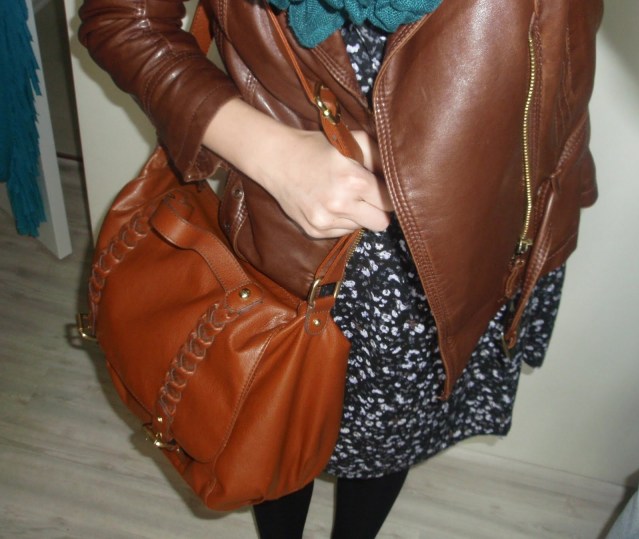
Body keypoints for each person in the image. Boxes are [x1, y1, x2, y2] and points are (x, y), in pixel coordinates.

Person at [78, 0, 604, 537]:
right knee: (273, 429)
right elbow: (121, 18)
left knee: (389, 442)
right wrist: (272, 154)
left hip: (471, 241)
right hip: (302, 234)